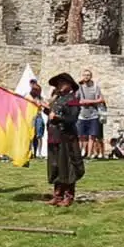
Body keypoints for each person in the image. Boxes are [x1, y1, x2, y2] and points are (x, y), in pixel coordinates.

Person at [44, 72, 84, 207]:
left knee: (67, 166)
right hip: (54, 136)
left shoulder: (73, 99)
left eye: (62, 83)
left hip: (66, 137)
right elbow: (52, 114)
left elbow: (72, 119)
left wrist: (57, 118)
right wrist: (45, 110)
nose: (59, 86)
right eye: (58, 83)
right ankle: (57, 194)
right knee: (55, 166)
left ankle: (68, 196)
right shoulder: (57, 99)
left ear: (69, 85)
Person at [75, 69, 106, 160]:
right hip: (82, 114)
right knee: (81, 135)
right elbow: (76, 100)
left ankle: (89, 154)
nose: (86, 77)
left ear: (91, 76)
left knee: (92, 135)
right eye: (85, 75)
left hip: (93, 114)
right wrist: (82, 102)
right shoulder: (79, 87)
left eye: (88, 75)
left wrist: (88, 102)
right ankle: (81, 153)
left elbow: (100, 100)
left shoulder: (96, 87)